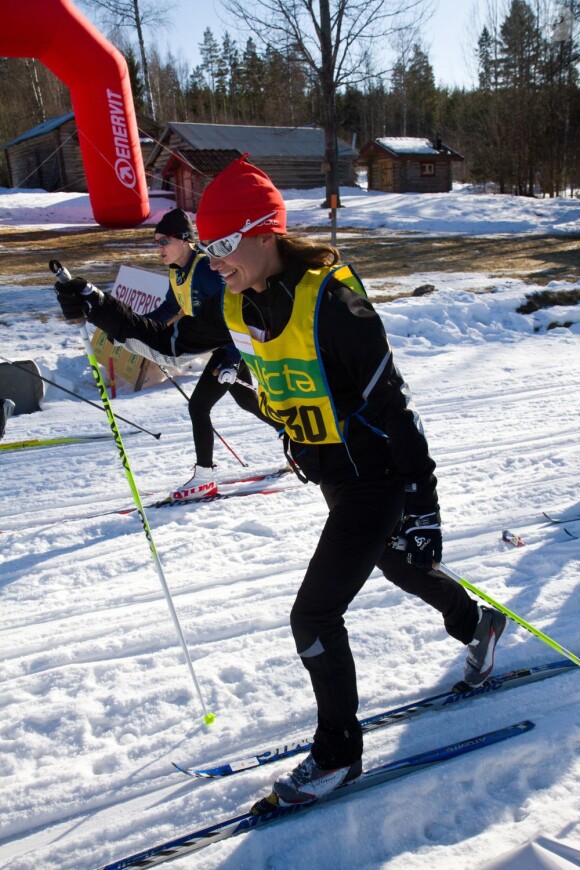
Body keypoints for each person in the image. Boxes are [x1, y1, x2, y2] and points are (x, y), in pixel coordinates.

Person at [54, 155, 507, 811]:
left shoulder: (337, 303)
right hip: (331, 474)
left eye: (224, 246)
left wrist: (423, 507)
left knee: (315, 613)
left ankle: (337, 755)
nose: (213, 263)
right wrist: (101, 309)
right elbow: (175, 337)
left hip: (375, 475)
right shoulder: (241, 297)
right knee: (397, 568)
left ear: (265, 233)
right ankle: (478, 625)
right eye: (207, 248)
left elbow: (395, 409)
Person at [147, 207, 279, 499]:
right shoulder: (177, 272)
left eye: (163, 241)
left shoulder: (208, 270)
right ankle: (295, 438)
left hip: (232, 345)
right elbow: (170, 308)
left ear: (184, 240)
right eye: (155, 242)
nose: (159, 248)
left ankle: (204, 477)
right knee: (248, 402)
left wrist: (232, 359)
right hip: (221, 346)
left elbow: (237, 312)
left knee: (198, 406)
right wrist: (134, 328)